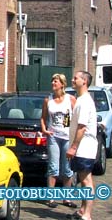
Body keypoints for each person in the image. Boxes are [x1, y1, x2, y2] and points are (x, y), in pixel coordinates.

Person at [41, 73, 76, 209]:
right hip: (53, 137)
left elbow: (78, 116)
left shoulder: (71, 99)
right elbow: (43, 117)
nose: (53, 84)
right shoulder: (48, 100)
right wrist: (44, 129)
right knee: (53, 167)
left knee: (67, 168)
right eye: (52, 81)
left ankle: (67, 198)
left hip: (67, 136)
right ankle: (51, 197)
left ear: (62, 84)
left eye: (55, 81)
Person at [67, 70, 97, 220]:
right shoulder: (80, 99)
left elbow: (82, 127)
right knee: (84, 178)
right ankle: (83, 209)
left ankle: (87, 214)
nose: (72, 80)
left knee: (86, 180)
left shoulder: (85, 101)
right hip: (82, 147)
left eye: (75, 78)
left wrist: (73, 147)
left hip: (84, 147)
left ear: (84, 81)